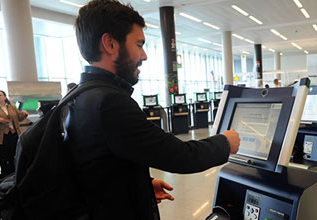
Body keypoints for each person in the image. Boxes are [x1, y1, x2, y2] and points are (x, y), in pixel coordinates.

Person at [65, 0, 240, 219]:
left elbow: (98, 169)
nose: (145, 55)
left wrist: (141, 187)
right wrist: (224, 142)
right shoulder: (110, 103)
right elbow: (179, 156)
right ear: (110, 43)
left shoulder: (79, 96)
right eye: (139, 44)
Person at [0, 90, 29, 178]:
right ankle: (4, 176)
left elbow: (19, 118)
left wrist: (24, 114)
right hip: (0, 136)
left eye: (0, 95)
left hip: (13, 134)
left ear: (5, 97)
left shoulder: (11, 107)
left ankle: (13, 174)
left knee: (13, 154)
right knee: (3, 156)